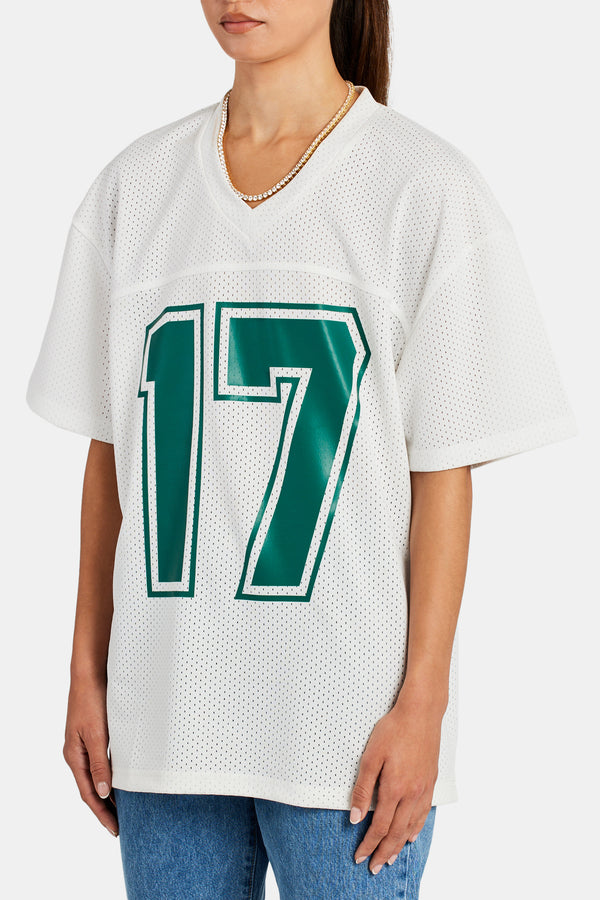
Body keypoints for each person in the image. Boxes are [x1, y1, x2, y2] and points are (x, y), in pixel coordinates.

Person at [25, 1, 578, 898]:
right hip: (165, 713)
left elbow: (443, 470)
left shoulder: (423, 186)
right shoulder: (135, 187)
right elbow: (111, 454)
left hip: (347, 733)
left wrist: (424, 702)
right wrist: (85, 671)